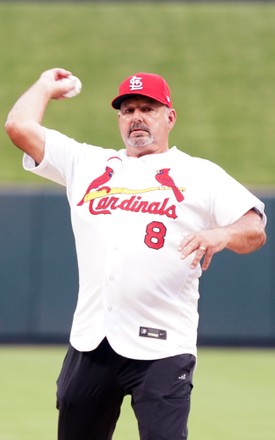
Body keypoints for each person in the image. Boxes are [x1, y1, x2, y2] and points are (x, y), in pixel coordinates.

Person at [5, 68, 266, 440]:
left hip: (163, 346)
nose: (137, 117)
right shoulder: (88, 164)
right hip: (92, 341)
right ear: (119, 119)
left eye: (148, 108)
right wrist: (45, 86)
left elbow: (254, 230)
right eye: (128, 110)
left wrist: (222, 233)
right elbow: (19, 126)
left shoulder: (199, 174)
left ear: (170, 117)